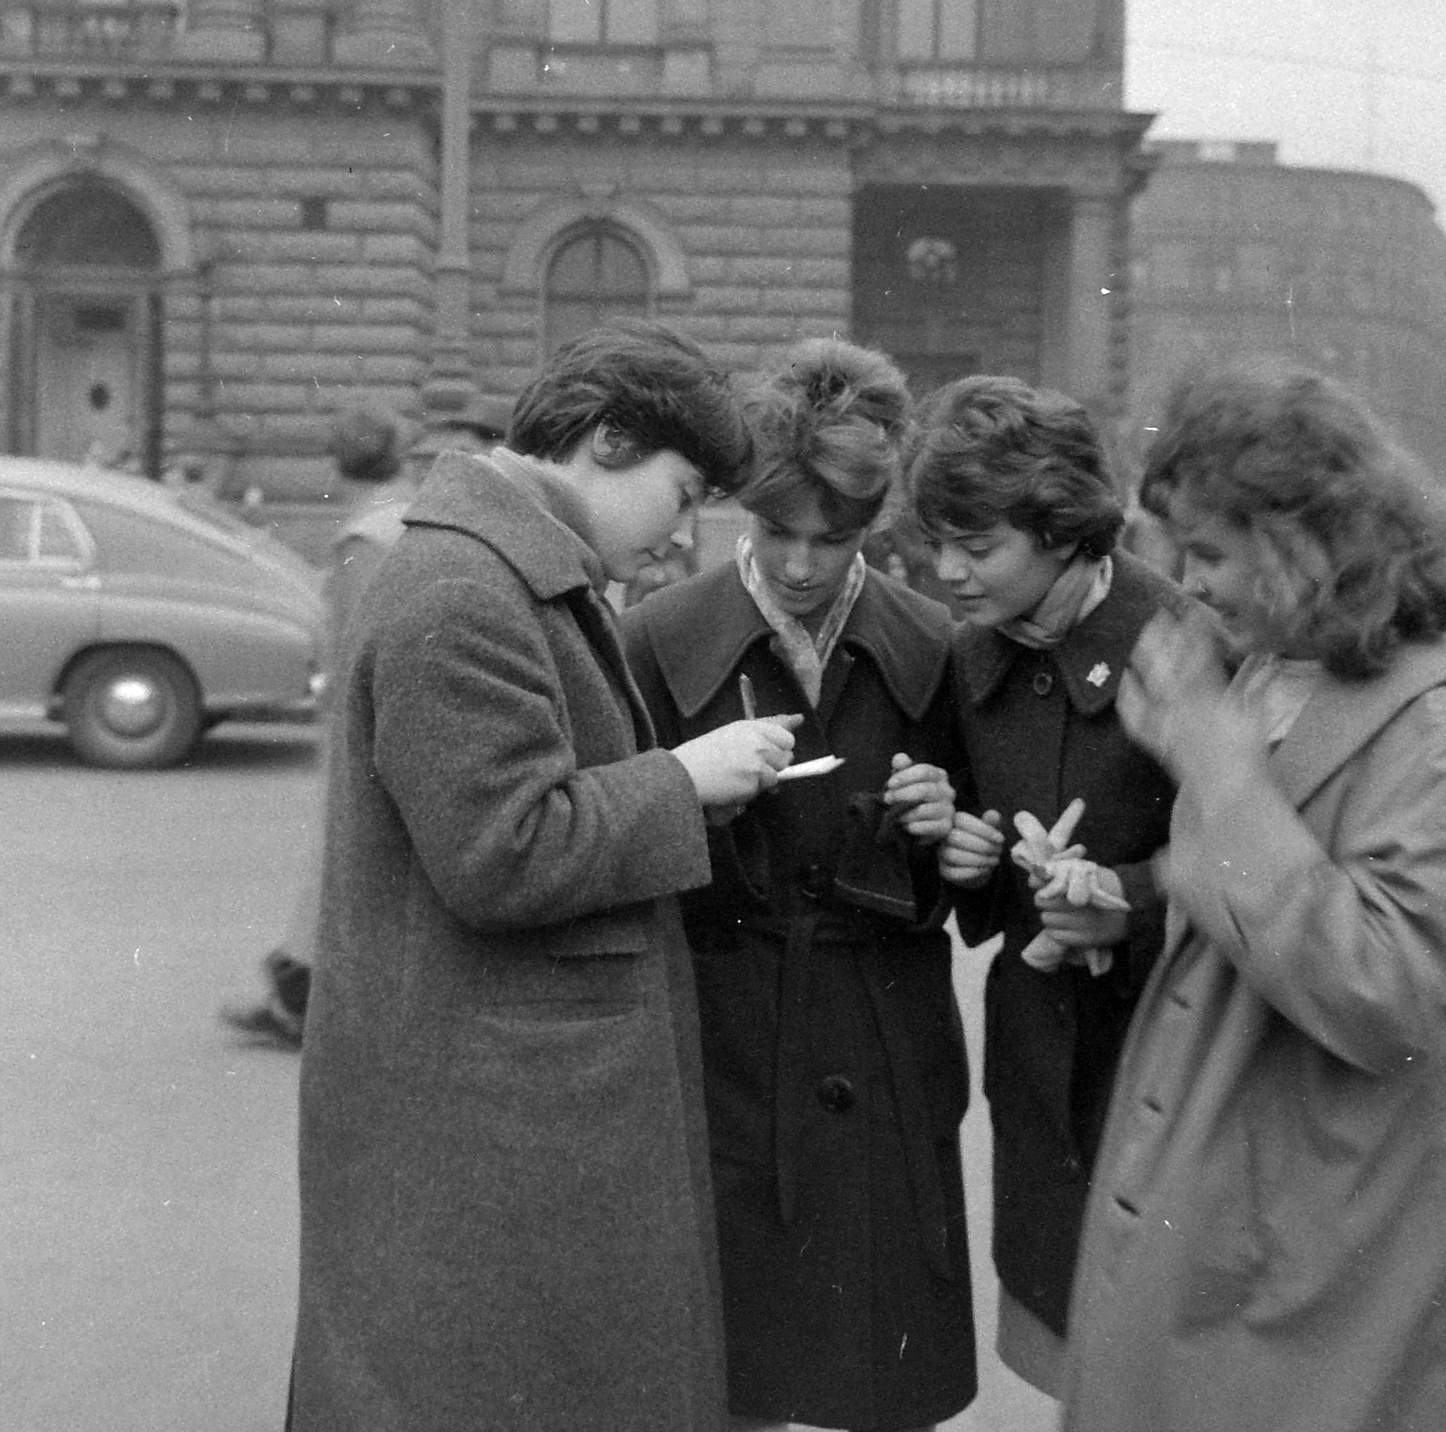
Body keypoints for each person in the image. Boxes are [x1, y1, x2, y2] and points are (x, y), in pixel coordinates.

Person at [288, 320, 801, 1432]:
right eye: (683, 490)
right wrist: (680, 779)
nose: (683, 534)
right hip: (496, 1125)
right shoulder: (461, 592)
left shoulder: (502, 569)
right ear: (608, 442)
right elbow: (500, 853)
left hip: (513, 1105)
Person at [1063, 365, 1446, 1432]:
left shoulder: (1434, 726)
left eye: (1207, 554)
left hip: (1321, 1225)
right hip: (1232, 1190)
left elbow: (1393, 992)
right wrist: (1136, 899)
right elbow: (1269, 876)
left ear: (1305, 543)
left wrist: (1218, 771)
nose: (1185, 583)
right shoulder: (1274, 664)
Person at [621, 338, 977, 1432]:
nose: (804, 564)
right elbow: (616, 861)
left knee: (882, 1379)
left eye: (838, 536)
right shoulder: (655, 641)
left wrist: (939, 828)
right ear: (739, 508)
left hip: (885, 1055)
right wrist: (689, 812)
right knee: (734, 1376)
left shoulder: (934, 643)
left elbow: (971, 881)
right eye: (777, 529)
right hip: (726, 1055)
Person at [900, 375, 1180, 1397]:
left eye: (977, 548)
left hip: (1160, 1067)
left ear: (1063, 531)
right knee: (1064, 1368)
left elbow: (1264, 870)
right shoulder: (971, 657)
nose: (947, 572)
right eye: (938, 542)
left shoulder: (1186, 646)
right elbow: (966, 853)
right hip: (1037, 1081)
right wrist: (954, 847)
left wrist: (1127, 898)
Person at [221, 395, 509, 1048]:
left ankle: (307, 997)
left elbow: (354, 647)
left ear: (339, 467)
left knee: (345, 857)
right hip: (400, 717)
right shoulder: (405, 518)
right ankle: (300, 986)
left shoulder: (365, 536)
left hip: (365, 724)